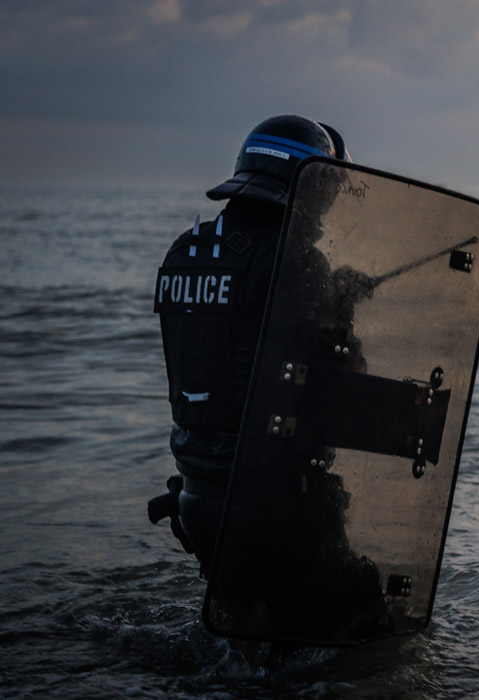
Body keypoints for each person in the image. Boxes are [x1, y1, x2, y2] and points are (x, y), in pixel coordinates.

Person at [148, 114, 350, 577]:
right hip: (272, 494)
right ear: (307, 185)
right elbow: (338, 377)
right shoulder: (295, 260)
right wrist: (342, 304)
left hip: (197, 489)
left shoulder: (185, 252)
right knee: (362, 622)